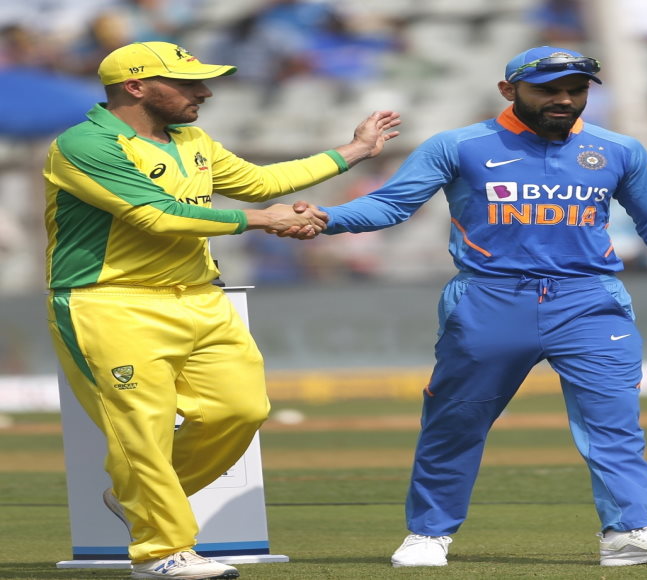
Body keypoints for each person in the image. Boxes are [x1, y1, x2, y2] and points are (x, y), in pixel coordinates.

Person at [309, 45, 647, 568]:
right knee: (456, 422)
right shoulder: (459, 146)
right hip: (490, 298)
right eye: (548, 90)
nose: (564, 100)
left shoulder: (618, 150)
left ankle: (628, 533)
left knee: (614, 424)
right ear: (508, 90)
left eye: (576, 90)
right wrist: (324, 218)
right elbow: (391, 204)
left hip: (589, 300)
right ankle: (428, 535)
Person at [43, 41, 399, 579]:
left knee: (241, 409)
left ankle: (134, 497)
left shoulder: (192, 140)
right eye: (187, 83)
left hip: (200, 296)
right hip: (111, 302)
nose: (204, 92)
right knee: (142, 430)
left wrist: (355, 150)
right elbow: (157, 216)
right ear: (135, 87)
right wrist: (266, 220)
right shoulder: (85, 144)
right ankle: (161, 551)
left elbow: (260, 184)